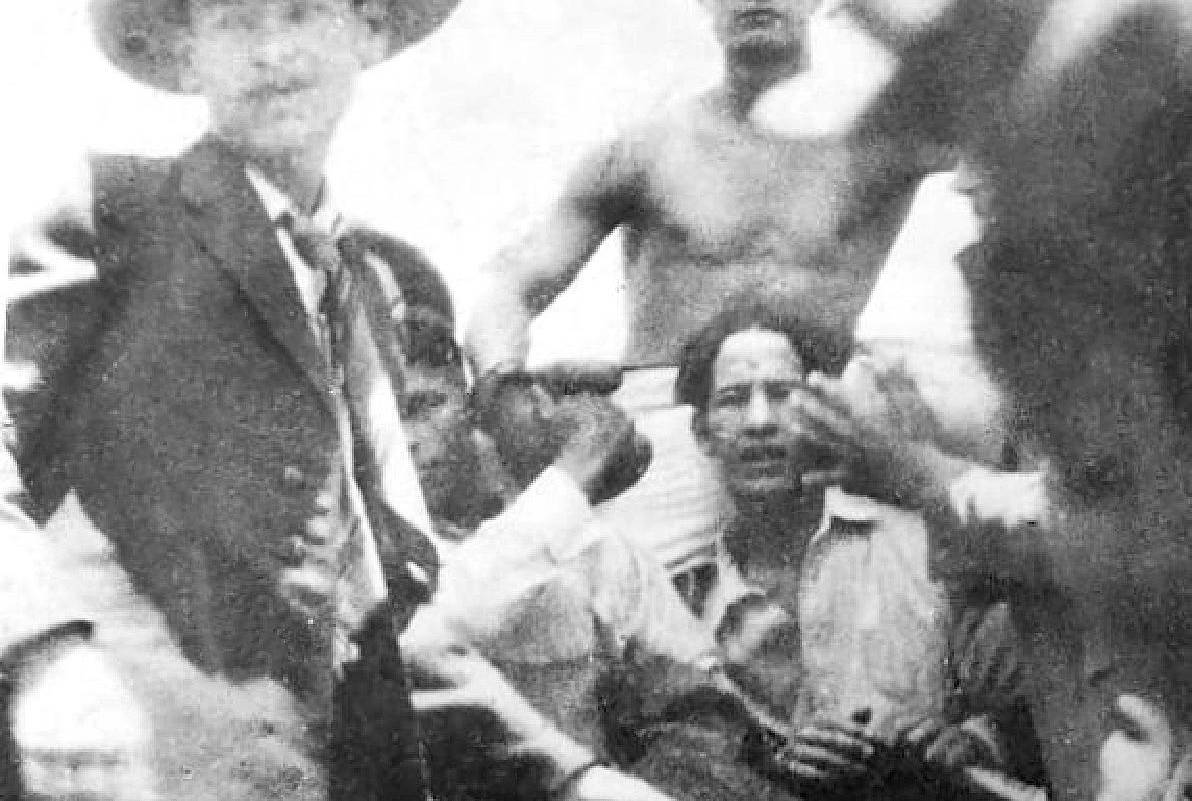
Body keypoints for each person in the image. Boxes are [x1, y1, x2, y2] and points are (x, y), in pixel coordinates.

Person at [5, 0, 459, 797]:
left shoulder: (365, 281)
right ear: (188, 56)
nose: (272, 51)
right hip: (131, 757)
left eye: (302, 13)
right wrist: (44, 653)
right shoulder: (114, 209)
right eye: (237, 22)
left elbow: (389, 574)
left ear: (368, 32)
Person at [464, 0, 941, 574]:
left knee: (882, 594)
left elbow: (1012, 116)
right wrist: (504, 389)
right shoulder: (650, 149)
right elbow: (512, 284)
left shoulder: (879, 143)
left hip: (819, 420)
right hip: (671, 428)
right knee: (617, 600)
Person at [619, 297, 1047, 801]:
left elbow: (1038, 692)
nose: (760, 421)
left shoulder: (927, 547)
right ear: (703, 434)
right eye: (734, 399)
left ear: (823, 411)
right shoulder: (684, 603)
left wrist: (974, 742)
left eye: (782, 394)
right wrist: (769, 762)